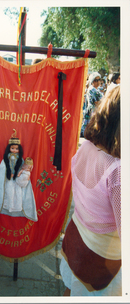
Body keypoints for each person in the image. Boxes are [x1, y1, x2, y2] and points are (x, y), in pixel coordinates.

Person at [60, 86, 121, 296]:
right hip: (101, 259)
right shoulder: (117, 170)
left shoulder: (86, 145)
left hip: (76, 237)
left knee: (70, 288)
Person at [0, 131, 38, 221]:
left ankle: (15, 208)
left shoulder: (20, 159)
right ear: (9, 148)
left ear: (19, 149)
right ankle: (7, 206)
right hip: (8, 179)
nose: (14, 150)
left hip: (16, 180)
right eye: (12, 148)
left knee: (17, 194)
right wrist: (8, 173)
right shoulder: (6, 159)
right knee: (8, 192)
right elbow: (2, 169)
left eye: (16, 149)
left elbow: (22, 167)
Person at [81, 72, 103, 136]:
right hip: (92, 111)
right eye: (96, 80)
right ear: (92, 81)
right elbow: (95, 102)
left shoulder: (96, 89)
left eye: (99, 80)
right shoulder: (92, 89)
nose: (98, 81)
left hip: (95, 110)